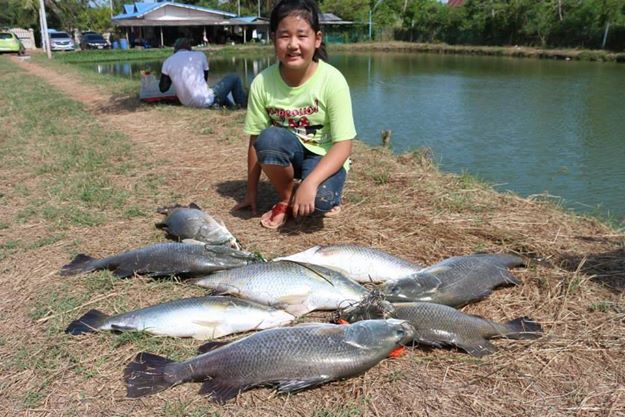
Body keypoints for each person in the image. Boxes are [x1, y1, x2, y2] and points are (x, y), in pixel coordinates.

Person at [234, 0, 356, 229]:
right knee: (268, 138)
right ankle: (287, 196)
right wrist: (251, 193)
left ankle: (312, 187)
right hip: (288, 153)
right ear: (273, 39)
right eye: (284, 36)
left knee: (320, 203)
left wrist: (310, 183)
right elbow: (255, 141)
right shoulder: (262, 82)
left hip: (324, 155)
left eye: (302, 36)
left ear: (317, 39)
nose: (293, 44)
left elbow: (343, 145)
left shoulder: (333, 80)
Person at [159, 38, 247, 108]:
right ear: (189, 47)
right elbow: (204, 80)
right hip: (204, 100)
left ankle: (230, 107)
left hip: (186, 103)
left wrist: (172, 76)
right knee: (234, 78)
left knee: (214, 90)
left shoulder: (168, 61)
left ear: (175, 49)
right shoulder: (200, 55)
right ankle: (242, 108)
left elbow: (163, 88)